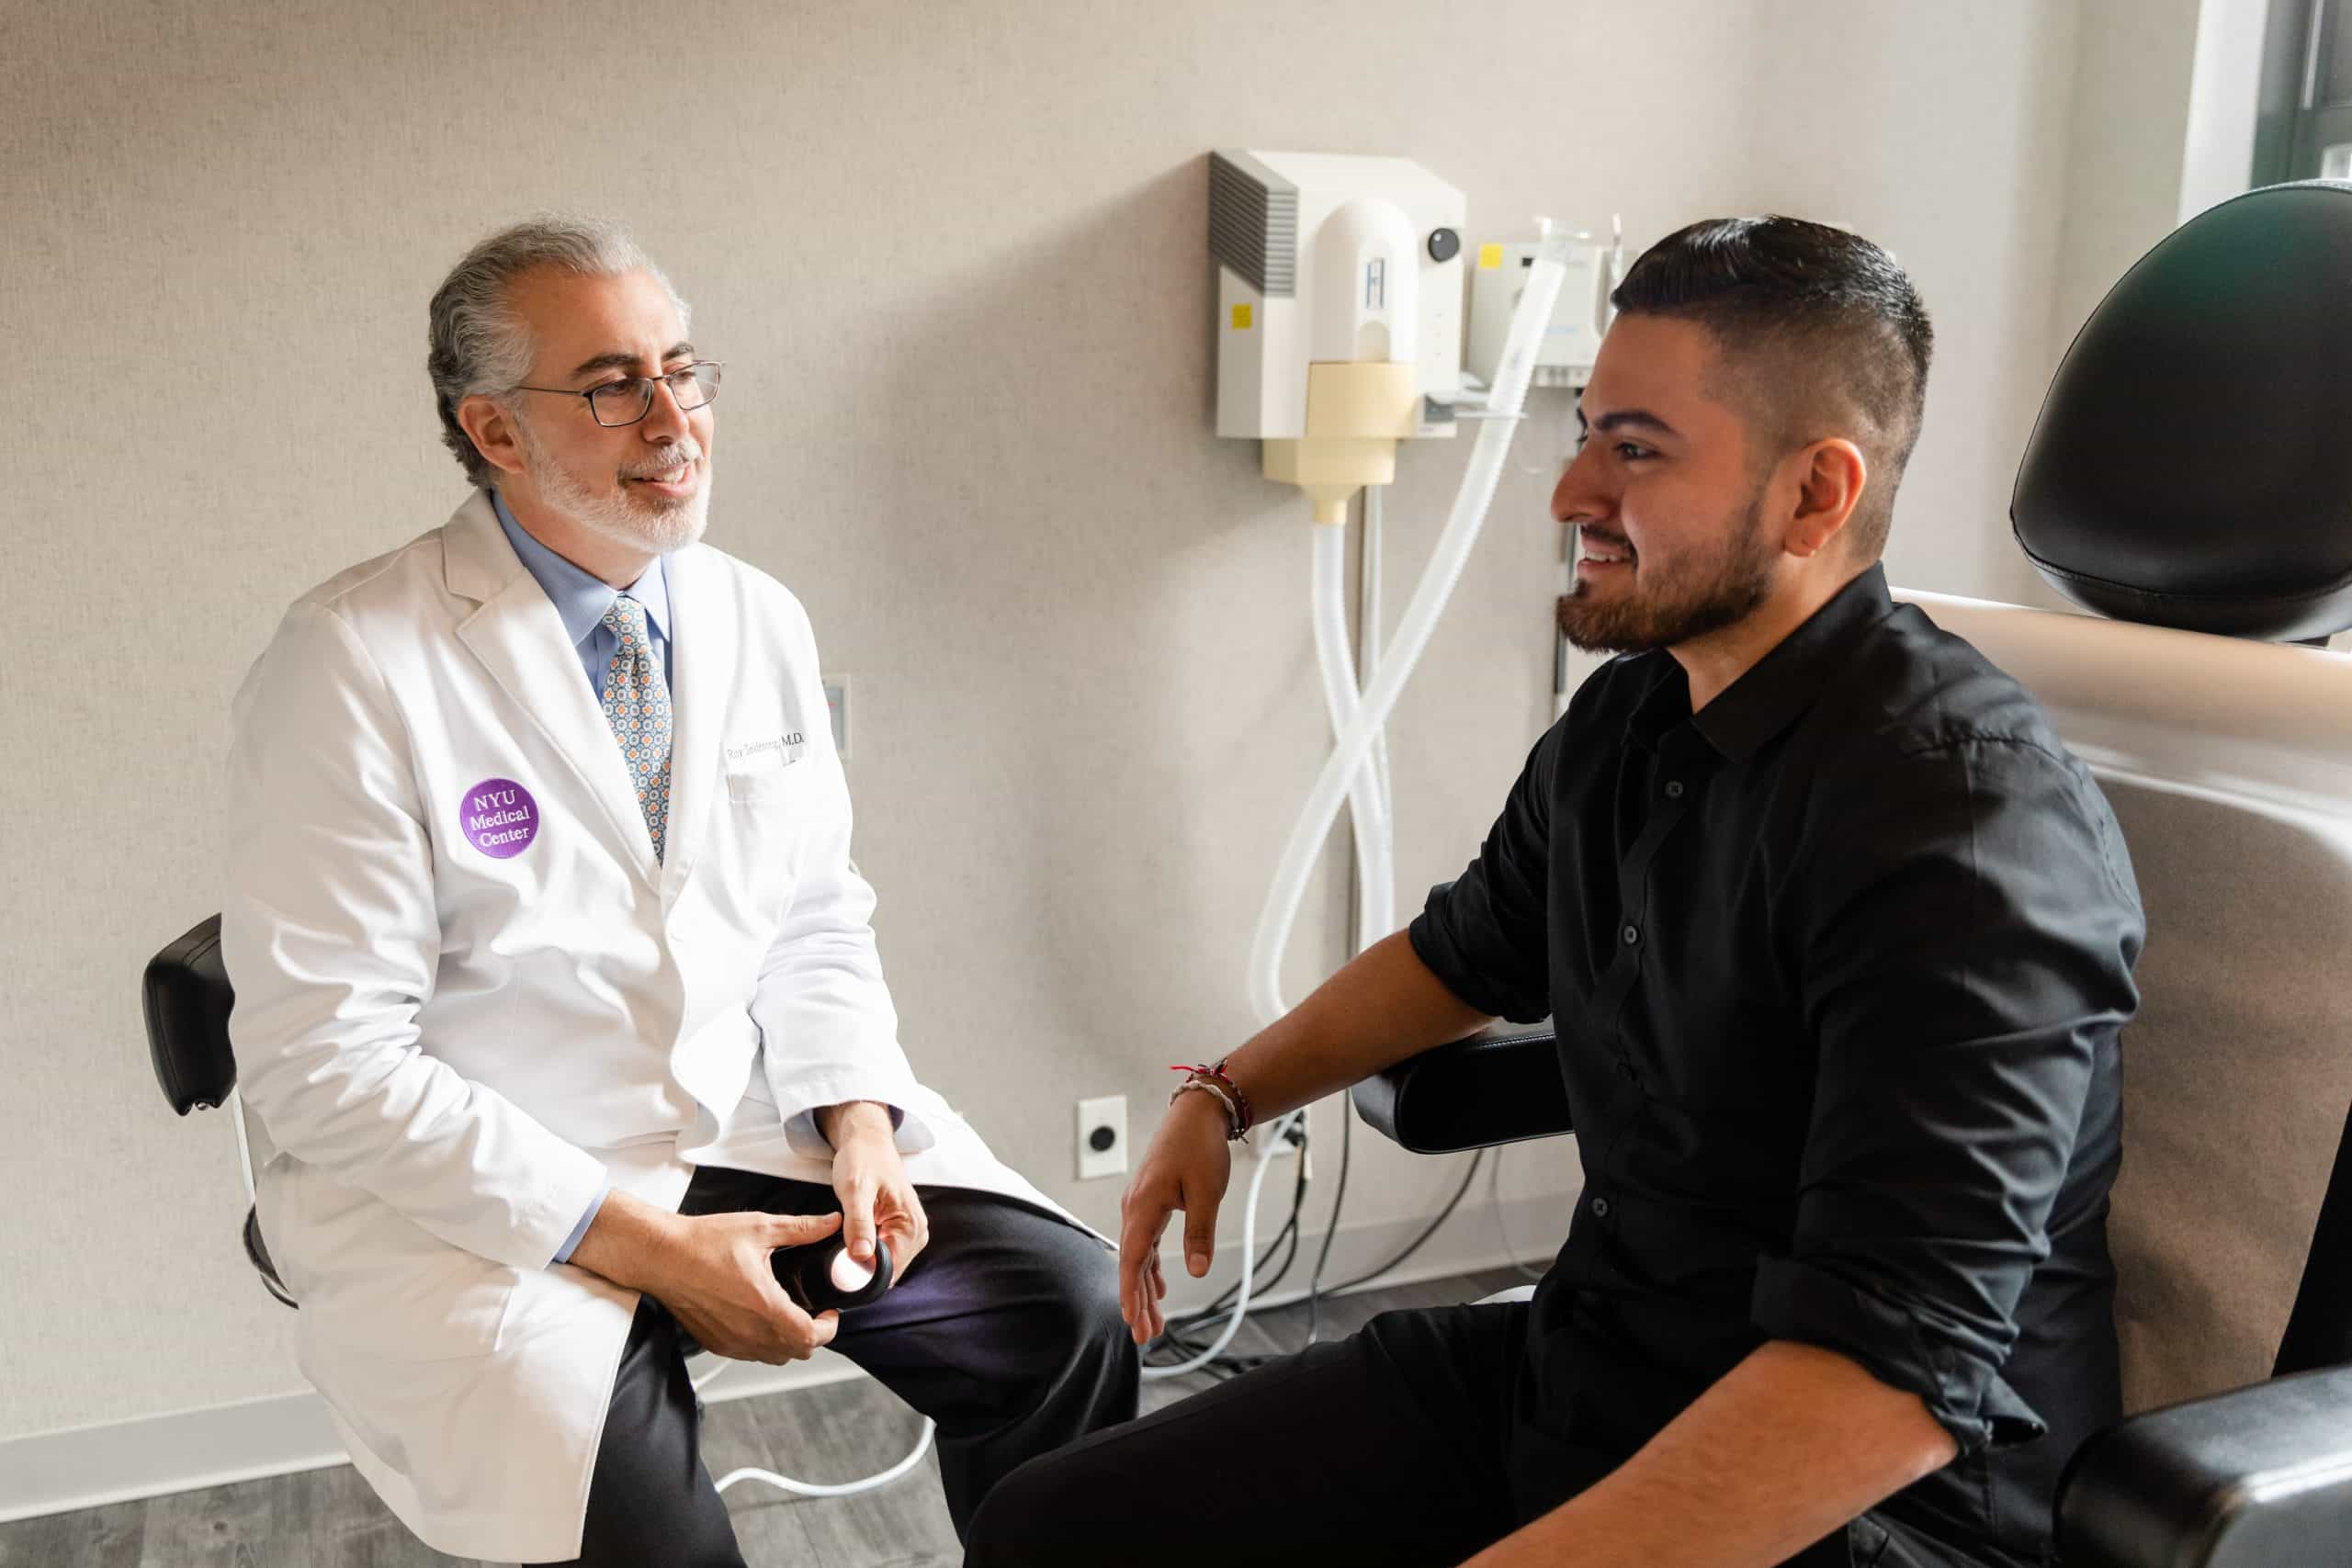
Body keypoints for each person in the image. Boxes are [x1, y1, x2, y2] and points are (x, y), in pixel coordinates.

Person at [965, 217, 2143, 1568]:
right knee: (1056, 1527)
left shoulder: (1965, 830)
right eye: (1585, 430)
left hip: (1869, 1504)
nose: (1570, 489)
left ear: (1815, 494)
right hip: (1601, 1369)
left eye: (1634, 448)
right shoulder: (1633, 721)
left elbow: (1891, 1381)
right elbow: (1467, 955)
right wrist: (1222, 1095)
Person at [220, 215, 1136, 1567]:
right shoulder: (353, 661)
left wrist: (861, 1120)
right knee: (640, 1534)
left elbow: (814, 911)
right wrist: (645, 1249)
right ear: (494, 432)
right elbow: (323, 1064)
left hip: (748, 1121)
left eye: (683, 369)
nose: (673, 419)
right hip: (494, 1188)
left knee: (1058, 1315)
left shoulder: (753, 615)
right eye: (610, 384)